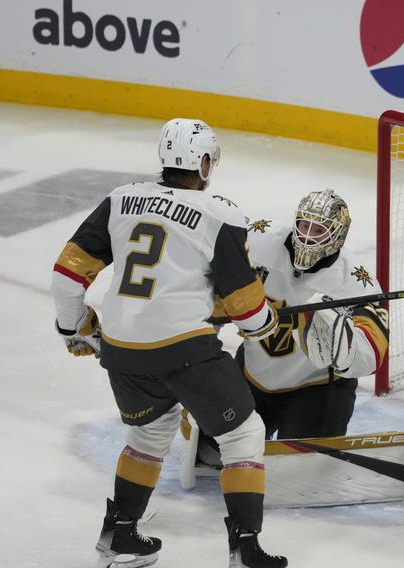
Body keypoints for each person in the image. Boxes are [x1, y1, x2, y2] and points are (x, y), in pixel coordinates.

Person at [51, 118, 287, 568]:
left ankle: (119, 535)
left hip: (121, 349)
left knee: (150, 430)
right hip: (185, 350)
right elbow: (246, 308)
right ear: (202, 163)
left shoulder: (120, 199)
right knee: (243, 434)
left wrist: (75, 327)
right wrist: (263, 322)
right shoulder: (221, 214)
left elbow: (66, 274)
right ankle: (245, 550)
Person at [189, 189, 389, 468]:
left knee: (301, 470)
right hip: (254, 375)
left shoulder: (354, 282)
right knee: (210, 455)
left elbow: (373, 351)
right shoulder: (258, 241)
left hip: (316, 388)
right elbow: (212, 277)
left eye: (319, 230)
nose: (307, 236)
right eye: (304, 225)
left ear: (337, 237)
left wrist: (346, 352)